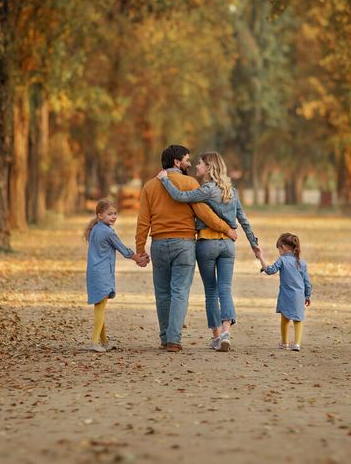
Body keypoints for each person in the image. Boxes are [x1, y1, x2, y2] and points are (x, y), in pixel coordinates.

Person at [135, 144, 238, 352]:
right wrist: (226, 229)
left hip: (159, 244)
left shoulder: (149, 186)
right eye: (187, 160)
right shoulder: (189, 183)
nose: (190, 164)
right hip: (184, 244)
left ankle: (165, 338)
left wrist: (140, 250)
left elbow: (143, 221)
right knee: (180, 291)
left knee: (162, 293)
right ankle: (174, 339)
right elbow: (203, 213)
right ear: (176, 162)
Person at [157, 151, 260, 352]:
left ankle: (215, 336)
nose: (196, 166)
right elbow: (244, 221)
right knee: (226, 288)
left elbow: (180, 197)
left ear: (209, 168)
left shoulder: (207, 189)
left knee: (211, 291)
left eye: (200, 164)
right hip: (228, 246)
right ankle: (226, 332)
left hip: (207, 243)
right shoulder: (232, 191)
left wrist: (165, 180)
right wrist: (254, 243)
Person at [85, 199, 148, 353]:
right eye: (109, 214)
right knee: (100, 308)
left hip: (94, 271)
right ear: (99, 215)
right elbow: (123, 249)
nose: (113, 217)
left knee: (100, 306)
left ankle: (104, 341)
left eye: (115, 214)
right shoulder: (107, 232)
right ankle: (94, 342)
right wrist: (138, 258)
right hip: (102, 273)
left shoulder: (95, 229)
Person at [258, 232, 312, 352]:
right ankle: (297, 344)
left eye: (279, 249)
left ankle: (284, 343)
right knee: (298, 320)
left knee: (285, 319)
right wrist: (307, 295)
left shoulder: (282, 260)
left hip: (286, 295)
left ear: (282, 247)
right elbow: (307, 282)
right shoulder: (301, 263)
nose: (279, 252)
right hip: (299, 296)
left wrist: (261, 258)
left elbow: (270, 270)